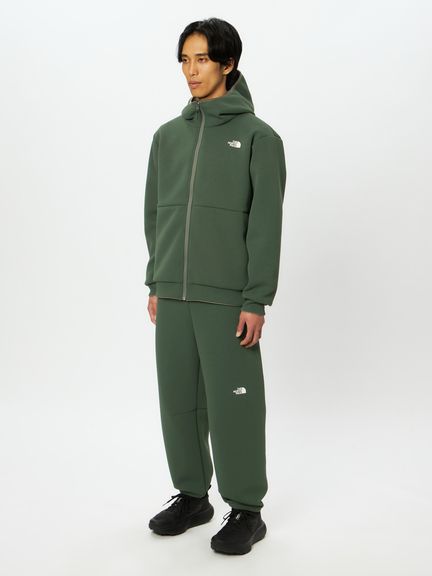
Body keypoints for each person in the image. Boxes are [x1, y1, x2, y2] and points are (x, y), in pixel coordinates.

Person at [144, 17, 286, 555]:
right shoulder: (167, 137)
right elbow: (156, 213)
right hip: (173, 292)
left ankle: (247, 509)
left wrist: (256, 297)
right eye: (185, 59)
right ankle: (192, 497)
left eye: (202, 59)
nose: (191, 70)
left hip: (228, 298)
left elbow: (265, 224)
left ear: (228, 63)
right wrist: (157, 279)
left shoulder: (259, 138)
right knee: (178, 401)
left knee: (234, 407)